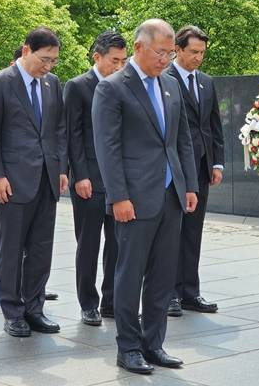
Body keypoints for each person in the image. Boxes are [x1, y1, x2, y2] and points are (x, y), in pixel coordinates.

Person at [92, 19, 198, 375]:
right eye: (161, 52)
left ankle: (154, 344)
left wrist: (189, 186)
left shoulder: (169, 85)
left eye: (170, 53)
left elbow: (181, 140)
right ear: (139, 47)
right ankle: (129, 347)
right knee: (130, 273)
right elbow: (108, 148)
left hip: (170, 195)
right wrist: (118, 196)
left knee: (163, 274)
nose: (166, 59)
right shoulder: (112, 88)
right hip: (134, 200)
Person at [0, 27, 68, 337]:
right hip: (12, 182)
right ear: (26, 49)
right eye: (44, 59)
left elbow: (58, 129)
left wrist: (60, 168)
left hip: (46, 178)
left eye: (53, 61)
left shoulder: (52, 84)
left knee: (41, 249)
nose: (48, 66)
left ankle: (34, 307)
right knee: (11, 248)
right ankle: (12, 311)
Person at [64, 31, 127, 325]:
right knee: (88, 244)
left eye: (123, 61)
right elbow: (73, 134)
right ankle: (88, 302)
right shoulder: (77, 87)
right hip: (88, 177)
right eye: (114, 60)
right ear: (97, 57)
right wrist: (79, 175)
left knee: (117, 243)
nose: (119, 66)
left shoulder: (124, 87)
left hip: (117, 180)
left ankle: (111, 301)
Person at [165, 26, 224, 317]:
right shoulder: (164, 78)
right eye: (193, 52)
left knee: (193, 231)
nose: (198, 58)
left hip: (201, 165)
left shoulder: (206, 82)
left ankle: (190, 291)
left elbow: (214, 126)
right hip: (174, 167)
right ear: (177, 49)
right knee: (171, 232)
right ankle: (170, 294)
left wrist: (217, 162)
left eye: (202, 52)